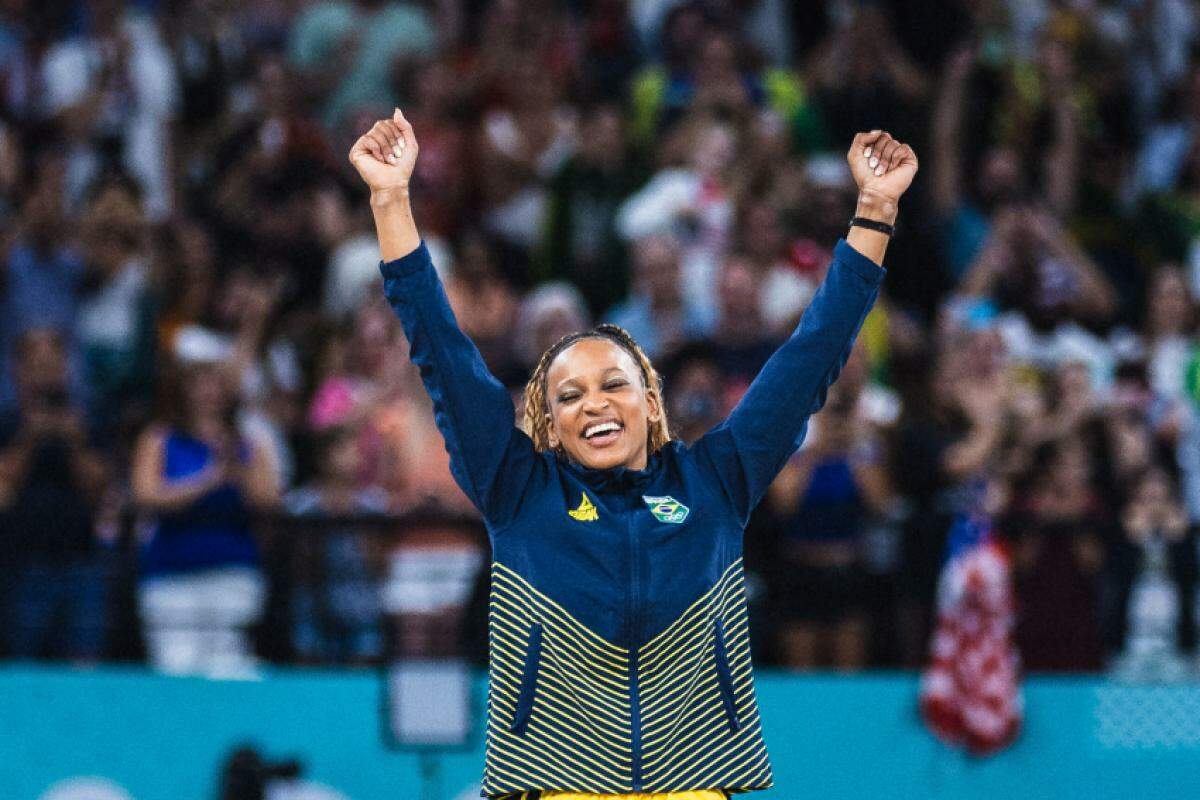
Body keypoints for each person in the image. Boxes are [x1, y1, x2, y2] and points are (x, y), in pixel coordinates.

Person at [350, 108, 915, 798]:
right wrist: (389, 201)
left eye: (613, 383)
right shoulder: (516, 490)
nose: (593, 403)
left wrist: (875, 210)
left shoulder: (717, 480)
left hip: (696, 785)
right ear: (548, 425)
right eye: (569, 395)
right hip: (555, 785)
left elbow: (812, 355)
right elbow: (441, 349)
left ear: (651, 402)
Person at [130, 342, 280, 676]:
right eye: (200, 381)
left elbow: (268, 500)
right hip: (171, 575)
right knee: (176, 669)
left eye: (216, 382)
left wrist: (237, 471)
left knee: (229, 670)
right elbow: (145, 495)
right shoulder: (159, 438)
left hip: (233, 572)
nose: (209, 392)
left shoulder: (247, 442)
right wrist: (207, 481)